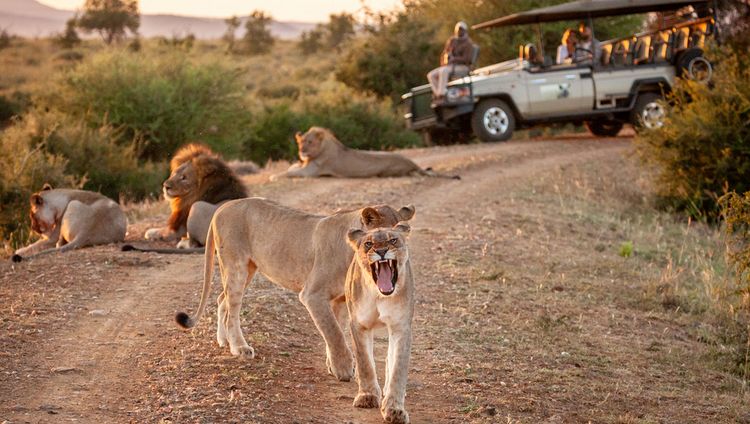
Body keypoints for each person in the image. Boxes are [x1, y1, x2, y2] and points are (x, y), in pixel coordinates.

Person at [427, 21, 474, 98]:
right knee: (431, 75)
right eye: (458, 29)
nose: (459, 31)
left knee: (444, 71)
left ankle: (442, 94)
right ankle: (438, 94)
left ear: (465, 30)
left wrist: (454, 59)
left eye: (461, 29)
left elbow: (467, 59)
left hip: (463, 67)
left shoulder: (468, 43)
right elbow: (445, 52)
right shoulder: (452, 40)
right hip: (449, 66)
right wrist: (445, 60)